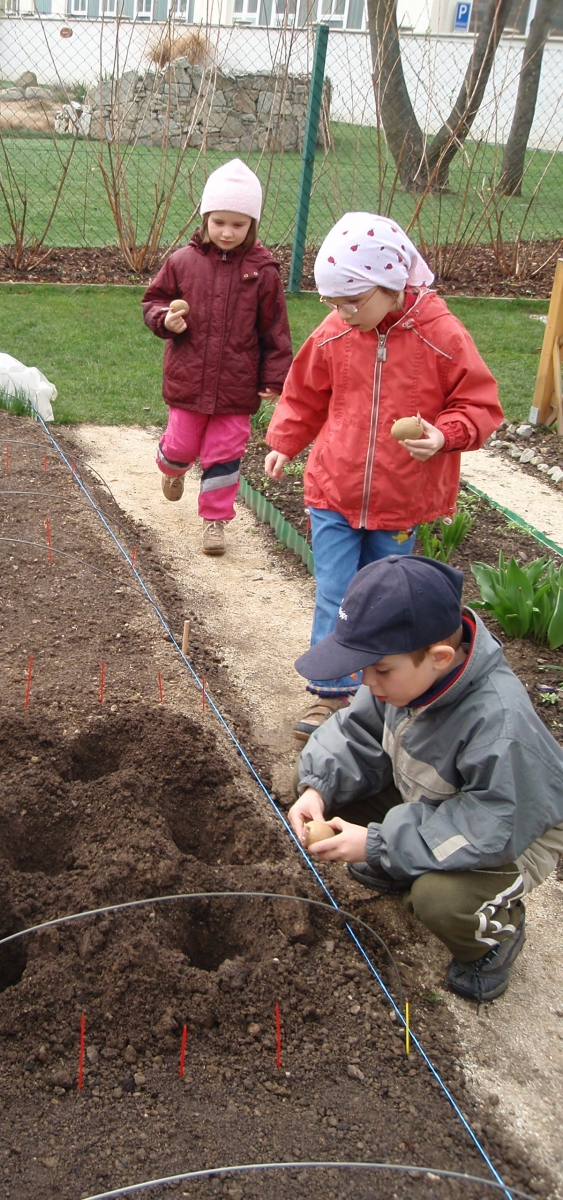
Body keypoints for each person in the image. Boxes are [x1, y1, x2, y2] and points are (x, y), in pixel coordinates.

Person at [263, 212, 502, 741]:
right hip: (334, 489)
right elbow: (304, 393)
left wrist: (445, 434)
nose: (344, 314)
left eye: (354, 301)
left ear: (392, 283)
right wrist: (284, 441)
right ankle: (333, 697)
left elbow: (480, 404)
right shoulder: (335, 333)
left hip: (400, 501)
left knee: (388, 604)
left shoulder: (442, 335)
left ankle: (379, 701)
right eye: (334, 303)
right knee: (336, 591)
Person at [288, 555, 563, 1003]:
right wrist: (316, 789)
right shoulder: (404, 678)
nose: (364, 680)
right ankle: (398, 859)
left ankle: (495, 938)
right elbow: (356, 733)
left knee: (438, 898)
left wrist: (377, 843)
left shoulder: (499, 724)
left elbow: (489, 824)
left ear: (439, 658)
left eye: (379, 670)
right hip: (431, 796)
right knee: (322, 791)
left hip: (513, 834)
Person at [143, 158, 292, 557]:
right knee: (181, 446)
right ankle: (171, 469)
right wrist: (164, 320)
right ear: (206, 217)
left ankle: (215, 522)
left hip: (236, 385)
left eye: (238, 224)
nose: (228, 232)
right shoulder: (182, 262)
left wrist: (275, 377)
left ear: (252, 225)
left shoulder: (264, 272)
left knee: (224, 455)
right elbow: (153, 301)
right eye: (220, 222)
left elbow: (274, 329)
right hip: (189, 378)